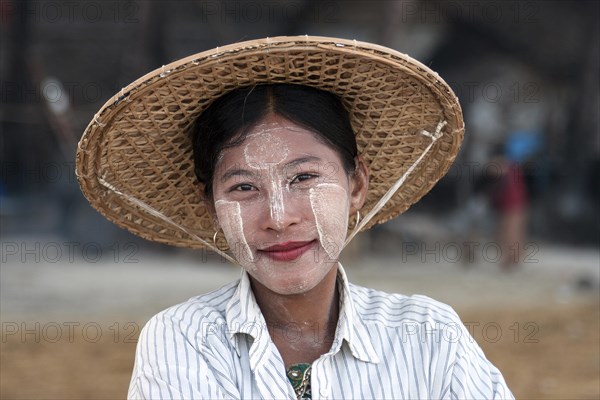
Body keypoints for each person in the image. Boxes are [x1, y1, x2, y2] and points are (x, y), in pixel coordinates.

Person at [76, 36, 513, 399]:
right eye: (243, 188)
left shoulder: (431, 336)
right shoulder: (182, 340)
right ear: (211, 205)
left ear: (356, 184)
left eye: (303, 177)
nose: (278, 218)